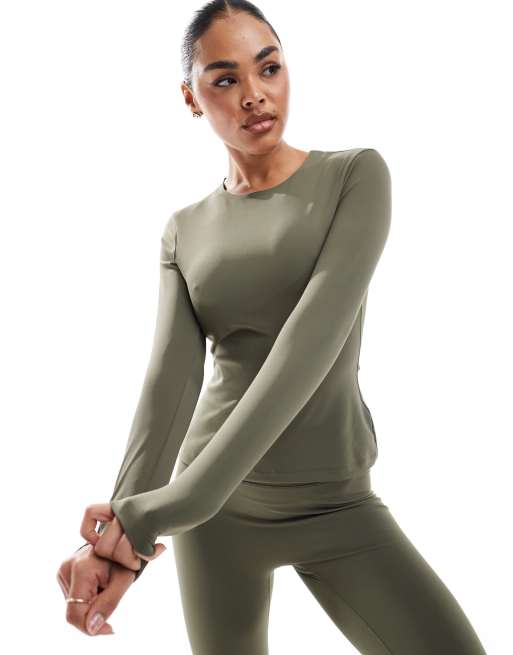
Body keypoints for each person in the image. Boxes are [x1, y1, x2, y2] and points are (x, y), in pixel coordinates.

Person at [57, 1, 488, 652]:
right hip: (217, 518)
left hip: (334, 502)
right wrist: (120, 537)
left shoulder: (354, 176)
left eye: (269, 68)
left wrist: (164, 509)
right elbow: (168, 386)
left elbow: (305, 351)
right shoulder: (184, 229)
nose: (254, 94)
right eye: (225, 79)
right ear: (191, 98)